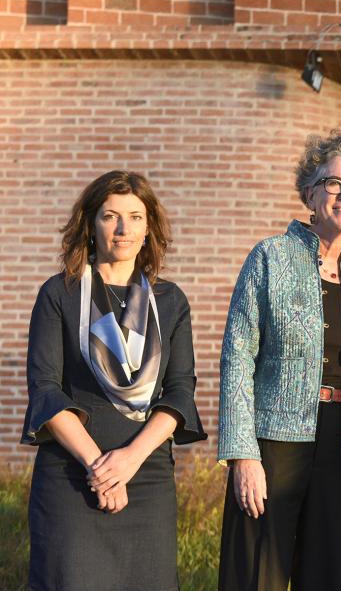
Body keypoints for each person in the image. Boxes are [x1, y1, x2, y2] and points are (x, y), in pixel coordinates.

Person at [217, 132, 341, 591]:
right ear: (309, 193)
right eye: (334, 183)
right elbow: (237, 358)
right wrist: (242, 454)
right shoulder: (269, 257)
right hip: (273, 443)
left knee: (333, 576)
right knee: (256, 575)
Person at [22, 170, 206, 591]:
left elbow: (179, 392)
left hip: (146, 478)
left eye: (135, 217)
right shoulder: (60, 294)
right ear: (90, 224)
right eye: (110, 216)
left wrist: (128, 461)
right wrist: (99, 468)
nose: (123, 229)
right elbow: (46, 390)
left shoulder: (170, 301)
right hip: (71, 477)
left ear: (149, 228)